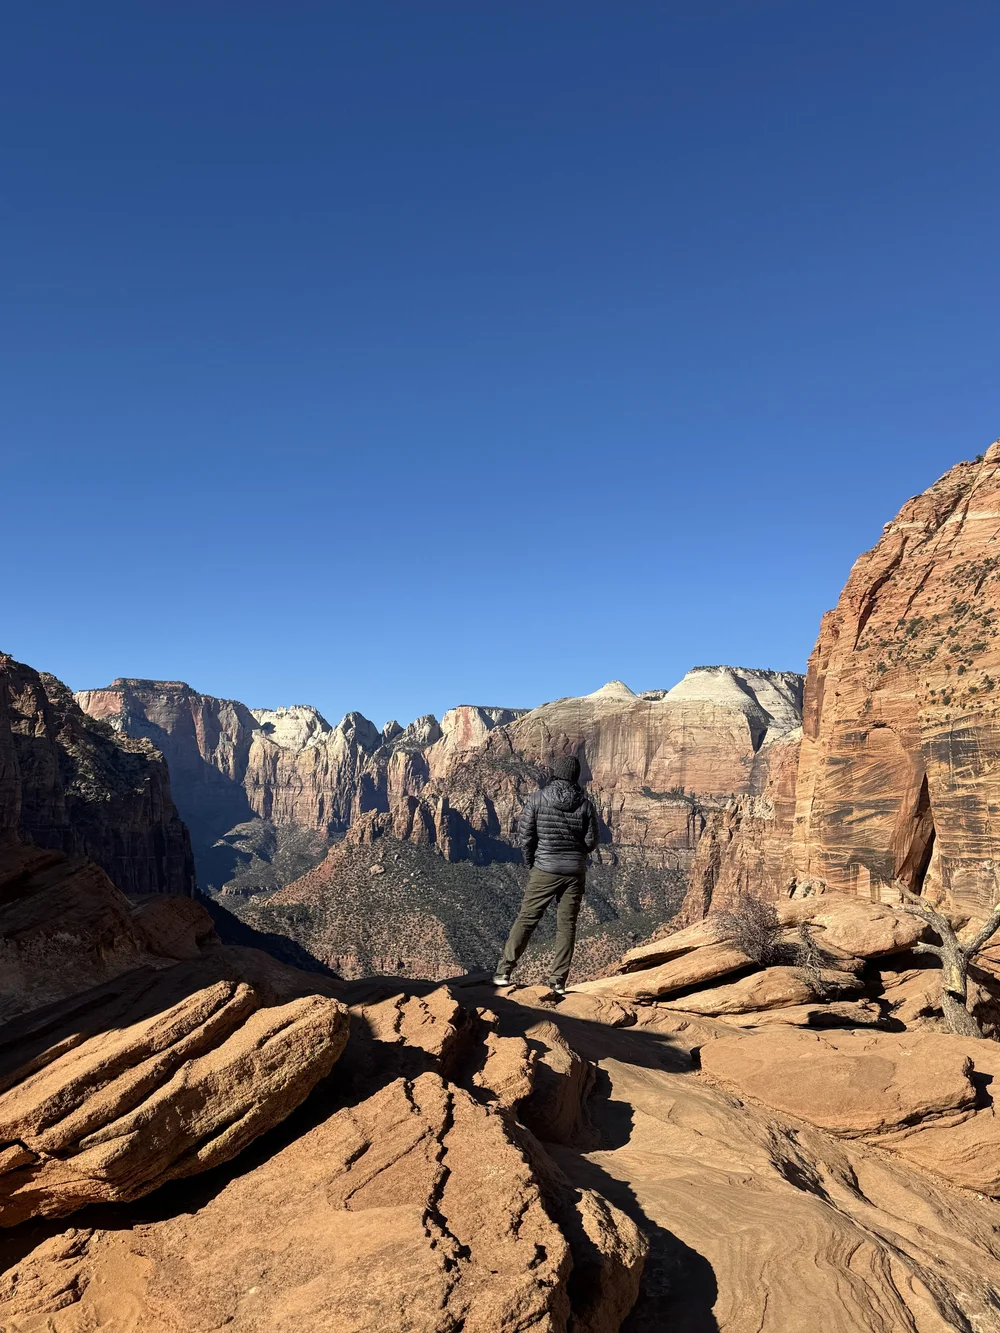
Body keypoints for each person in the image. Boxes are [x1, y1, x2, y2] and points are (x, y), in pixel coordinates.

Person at [493, 754, 600, 997]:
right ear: (574, 776)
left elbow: (526, 836)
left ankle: (503, 973)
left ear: (555, 773)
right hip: (574, 871)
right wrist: (577, 854)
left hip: (544, 868)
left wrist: (533, 863)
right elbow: (592, 840)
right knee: (567, 926)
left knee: (527, 919)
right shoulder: (585, 804)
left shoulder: (537, 799)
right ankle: (557, 981)